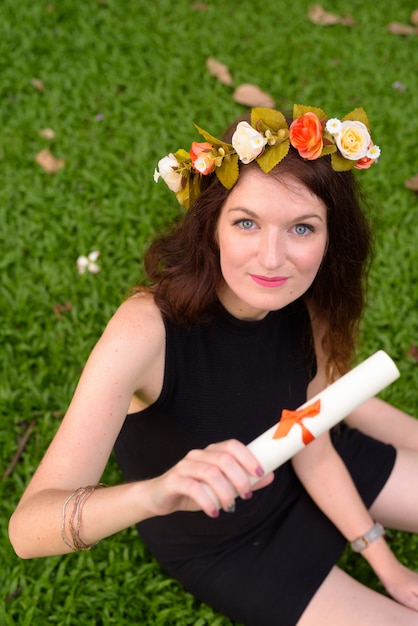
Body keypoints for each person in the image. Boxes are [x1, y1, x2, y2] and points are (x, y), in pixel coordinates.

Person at [9, 104, 418, 626]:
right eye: (247, 223)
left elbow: (308, 439)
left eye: (302, 229)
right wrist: (157, 493)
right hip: (230, 543)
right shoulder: (143, 332)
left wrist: (386, 563)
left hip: (314, 465)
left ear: (329, 237)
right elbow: (27, 531)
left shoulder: (304, 299)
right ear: (212, 226)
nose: (273, 259)